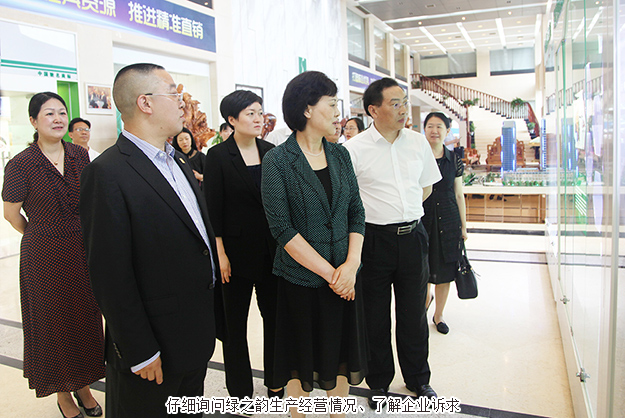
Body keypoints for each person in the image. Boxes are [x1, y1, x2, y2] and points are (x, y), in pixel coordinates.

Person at [79, 63, 219, 418]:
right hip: (153, 346)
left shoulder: (179, 162)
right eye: (173, 93)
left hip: (193, 335)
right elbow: (110, 274)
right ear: (145, 103)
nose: (182, 102)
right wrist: (139, 350)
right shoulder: (107, 172)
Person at [261, 71, 368, 418]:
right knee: (299, 362)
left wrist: (351, 266)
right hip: (301, 281)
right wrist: (333, 275)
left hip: (344, 279)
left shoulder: (340, 156)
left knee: (341, 358)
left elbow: (356, 212)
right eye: (332, 104)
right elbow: (282, 230)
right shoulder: (278, 161)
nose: (338, 113)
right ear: (307, 109)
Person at [2, 92, 105, 418]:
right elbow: (11, 214)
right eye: (49, 114)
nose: (58, 119)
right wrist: (39, 234)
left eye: (62, 112)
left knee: (85, 319)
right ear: (33, 121)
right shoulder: (21, 164)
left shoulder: (79, 155)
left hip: (81, 248)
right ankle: (63, 393)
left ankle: (84, 386)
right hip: (43, 255)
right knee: (54, 324)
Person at [342, 78, 441, 409]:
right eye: (395, 103)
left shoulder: (417, 143)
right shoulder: (354, 149)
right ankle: (379, 382)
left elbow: (426, 187)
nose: (403, 109)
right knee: (375, 316)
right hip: (373, 241)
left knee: (414, 314)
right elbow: (347, 201)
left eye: (404, 102)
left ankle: (418, 378)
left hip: (413, 237)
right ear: (373, 110)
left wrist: (404, 214)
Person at [205, 90, 282, 400]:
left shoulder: (271, 151)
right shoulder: (218, 156)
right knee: (234, 327)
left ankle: (275, 381)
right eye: (250, 113)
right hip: (234, 256)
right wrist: (220, 254)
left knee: (275, 320)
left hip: (272, 252)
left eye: (259, 112)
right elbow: (213, 208)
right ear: (232, 119)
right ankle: (240, 391)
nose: (258, 118)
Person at [422, 112, 467, 334]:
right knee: (423, 269)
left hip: (449, 221)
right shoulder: (418, 157)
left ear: (447, 131)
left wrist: (463, 226)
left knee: (445, 272)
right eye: (430, 126)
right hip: (423, 219)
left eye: (439, 126)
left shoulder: (454, 160)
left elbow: (458, 194)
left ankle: (438, 315)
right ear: (424, 129)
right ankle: (422, 308)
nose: (434, 131)